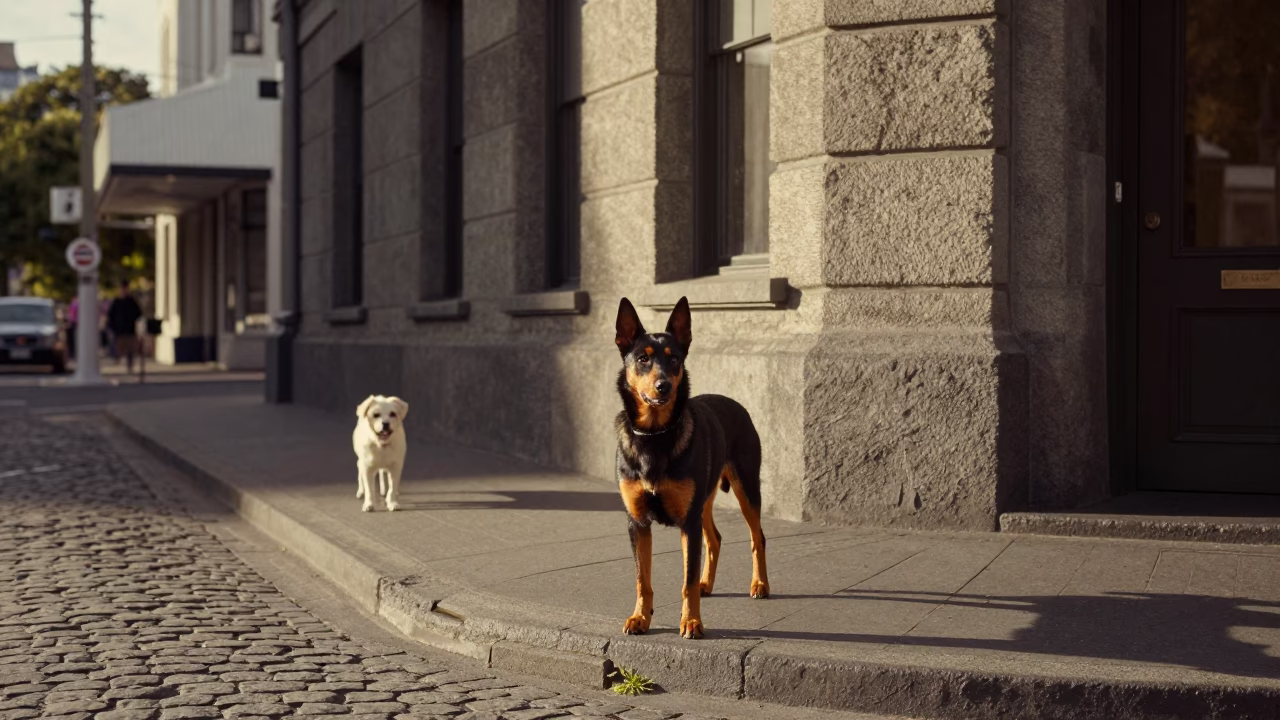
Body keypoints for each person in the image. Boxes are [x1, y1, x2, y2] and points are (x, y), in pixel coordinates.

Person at [107, 281, 143, 373]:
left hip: (130, 329)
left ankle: (129, 365)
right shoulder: (117, 302)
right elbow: (110, 315)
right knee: (119, 348)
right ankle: (117, 360)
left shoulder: (131, 301)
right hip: (119, 330)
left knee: (130, 349)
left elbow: (138, 313)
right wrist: (112, 327)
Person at [66, 295, 78, 360]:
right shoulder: (75, 304)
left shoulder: (74, 304)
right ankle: (73, 353)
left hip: (74, 323)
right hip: (74, 323)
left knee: (73, 340)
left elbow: (72, 316)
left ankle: (73, 353)